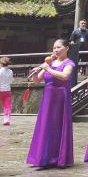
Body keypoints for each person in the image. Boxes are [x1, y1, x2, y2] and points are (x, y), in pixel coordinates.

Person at [26, 39, 74, 169]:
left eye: (59, 47)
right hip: (48, 97)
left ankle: (57, 157)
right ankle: (42, 157)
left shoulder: (69, 63)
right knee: (45, 125)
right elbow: (37, 81)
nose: (56, 50)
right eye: (54, 48)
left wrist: (48, 68)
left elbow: (65, 76)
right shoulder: (49, 63)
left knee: (57, 125)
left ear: (66, 48)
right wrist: (36, 71)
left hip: (60, 97)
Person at [69, 19, 88, 85]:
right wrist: (73, 47)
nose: (83, 24)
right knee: (76, 61)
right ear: (79, 24)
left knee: (85, 61)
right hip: (77, 49)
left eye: (84, 23)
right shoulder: (75, 31)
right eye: (82, 23)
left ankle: (84, 73)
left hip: (85, 49)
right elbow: (72, 40)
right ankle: (76, 73)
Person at [0, 57, 14, 126]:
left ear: (1, 64)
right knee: (7, 106)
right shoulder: (10, 71)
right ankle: (6, 120)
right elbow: (11, 81)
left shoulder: (0, 71)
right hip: (8, 90)